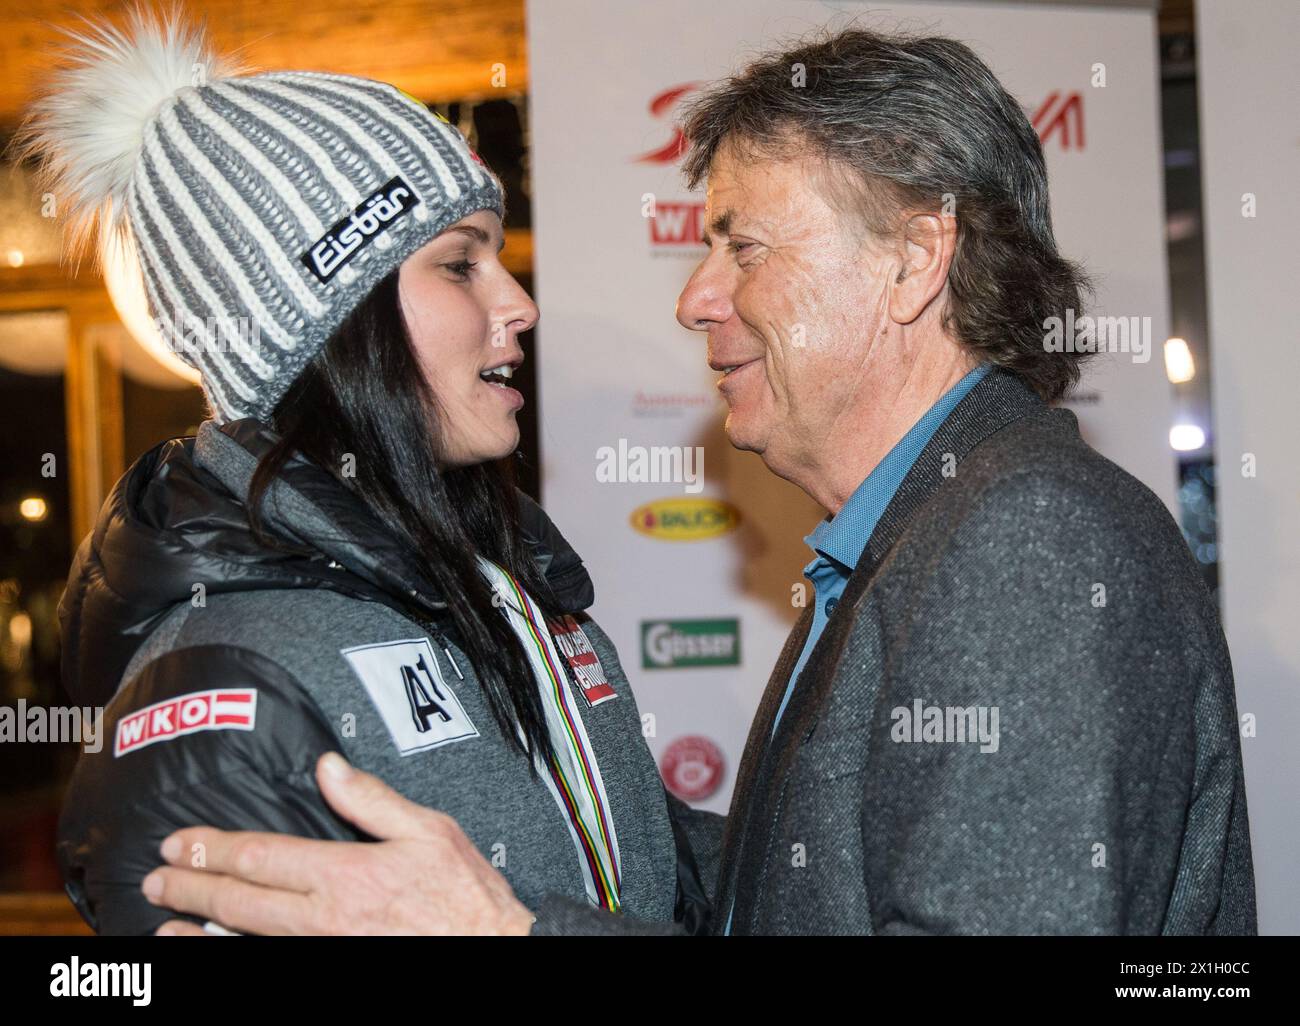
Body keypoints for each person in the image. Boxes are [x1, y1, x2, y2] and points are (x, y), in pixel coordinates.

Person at [134, 26, 1257, 937]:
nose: (695, 299)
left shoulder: (1026, 539)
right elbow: (814, 888)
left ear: (914, 259)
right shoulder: (921, 533)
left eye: (743, 247)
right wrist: (589, 826)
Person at [20, 9, 718, 935]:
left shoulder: (507, 589)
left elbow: (665, 890)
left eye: (497, 258)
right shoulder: (220, 687)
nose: (518, 303)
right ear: (333, 330)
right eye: (459, 264)